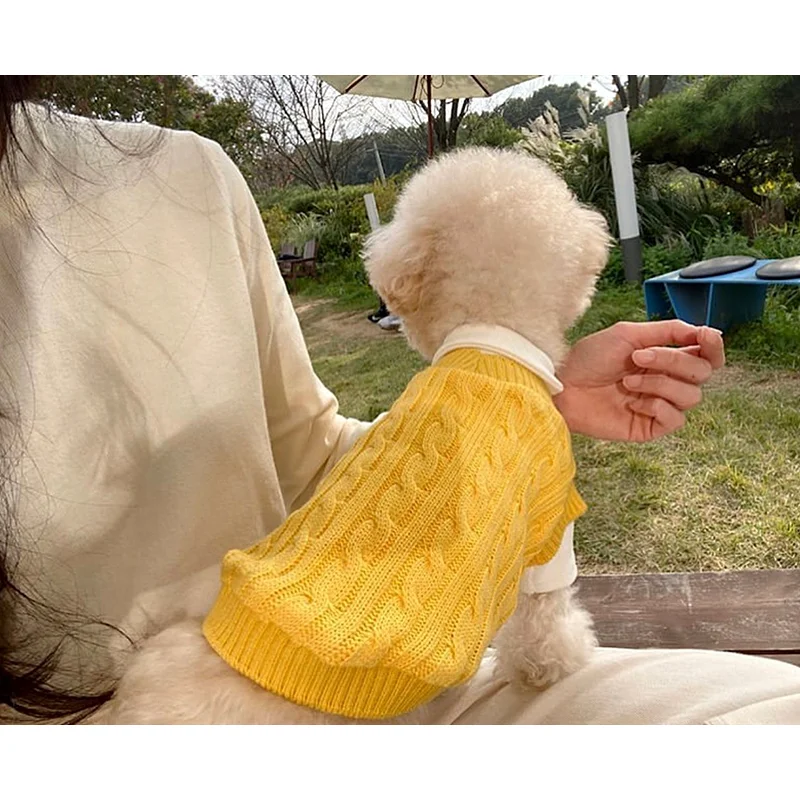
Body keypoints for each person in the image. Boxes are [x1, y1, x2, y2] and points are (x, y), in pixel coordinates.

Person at [1, 77, 798, 724]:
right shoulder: (519, 422)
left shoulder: (428, 390)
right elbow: (542, 590)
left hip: (206, 654)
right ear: (578, 271)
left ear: (405, 282)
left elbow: (342, 459)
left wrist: (541, 400)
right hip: (332, 692)